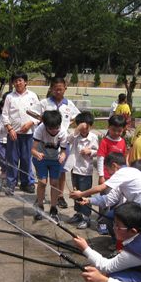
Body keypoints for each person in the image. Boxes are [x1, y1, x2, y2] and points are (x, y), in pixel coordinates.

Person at [72, 154, 141, 227]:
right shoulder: (129, 175)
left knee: (130, 227)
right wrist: (88, 200)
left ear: (114, 165)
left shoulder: (122, 172)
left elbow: (101, 187)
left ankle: (124, 243)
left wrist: (81, 194)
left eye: (108, 169)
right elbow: (109, 199)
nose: (109, 173)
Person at [72, 202, 141, 282]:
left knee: (111, 276)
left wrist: (85, 248)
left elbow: (106, 266)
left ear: (133, 231)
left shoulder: (135, 251)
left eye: (118, 226)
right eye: (114, 223)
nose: (113, 227)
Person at [35, 77, 80, 209]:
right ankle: (40, 198)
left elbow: (77, 117)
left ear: (65, 88)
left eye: (60, 89)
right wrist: (42, 121)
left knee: (61, 172)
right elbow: (32, 112)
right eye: (55, 89)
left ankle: (60, 196)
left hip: (62, 141)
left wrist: (67, 124)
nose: (58, 92)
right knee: (43, 177)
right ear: (51, 89)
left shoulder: (69, 104)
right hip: (46, 141)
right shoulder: (45, 102)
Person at [1, 71, 39, 196]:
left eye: (20, 80)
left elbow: (38, 114)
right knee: (12, 160)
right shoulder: (9, 97)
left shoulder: (32, 96)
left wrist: (31, 123)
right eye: (15, 81)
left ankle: (26, 183)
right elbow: (5, 115)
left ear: (25, 82)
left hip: (29, 134)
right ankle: (11, 184)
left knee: (26, 159)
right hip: (13, 134)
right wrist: (10, 129)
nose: (18, 83)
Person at [31, 110, 68, 223]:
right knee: (42, 182)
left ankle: (53, 209)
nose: (54, 131)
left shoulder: (63, 132)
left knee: (54, 183)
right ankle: (40, 206)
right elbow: (32, 149)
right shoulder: (40, 129)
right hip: (41, 158)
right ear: (45, 125)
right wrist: (37, 154)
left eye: (56, 128)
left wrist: (62, 156)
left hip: (55, 160)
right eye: (51, 128)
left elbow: (63, 151)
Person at [65, 111, 98, 229]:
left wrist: (90, 152)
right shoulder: (75, 136)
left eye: (86, 127)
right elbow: (67, 140)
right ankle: (78, 213)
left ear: (91, 126)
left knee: (84, 193)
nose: (84, 130)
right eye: (81, 128)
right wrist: (77, 129)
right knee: (76, 192)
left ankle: (86, 217)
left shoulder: (93, 137)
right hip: (75, 169)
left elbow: (98, 151)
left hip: (85, 170)